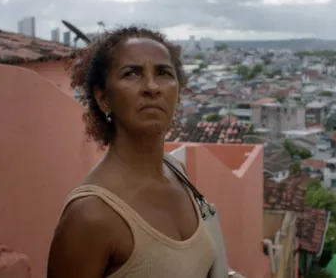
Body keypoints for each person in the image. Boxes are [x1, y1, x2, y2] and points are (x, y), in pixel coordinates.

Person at [47, 26, 216, 278]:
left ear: (177, 93)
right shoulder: (90, 215)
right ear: (103, 98)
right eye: (131, 74)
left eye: (164, 73)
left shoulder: (177, 171)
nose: (151, 87)